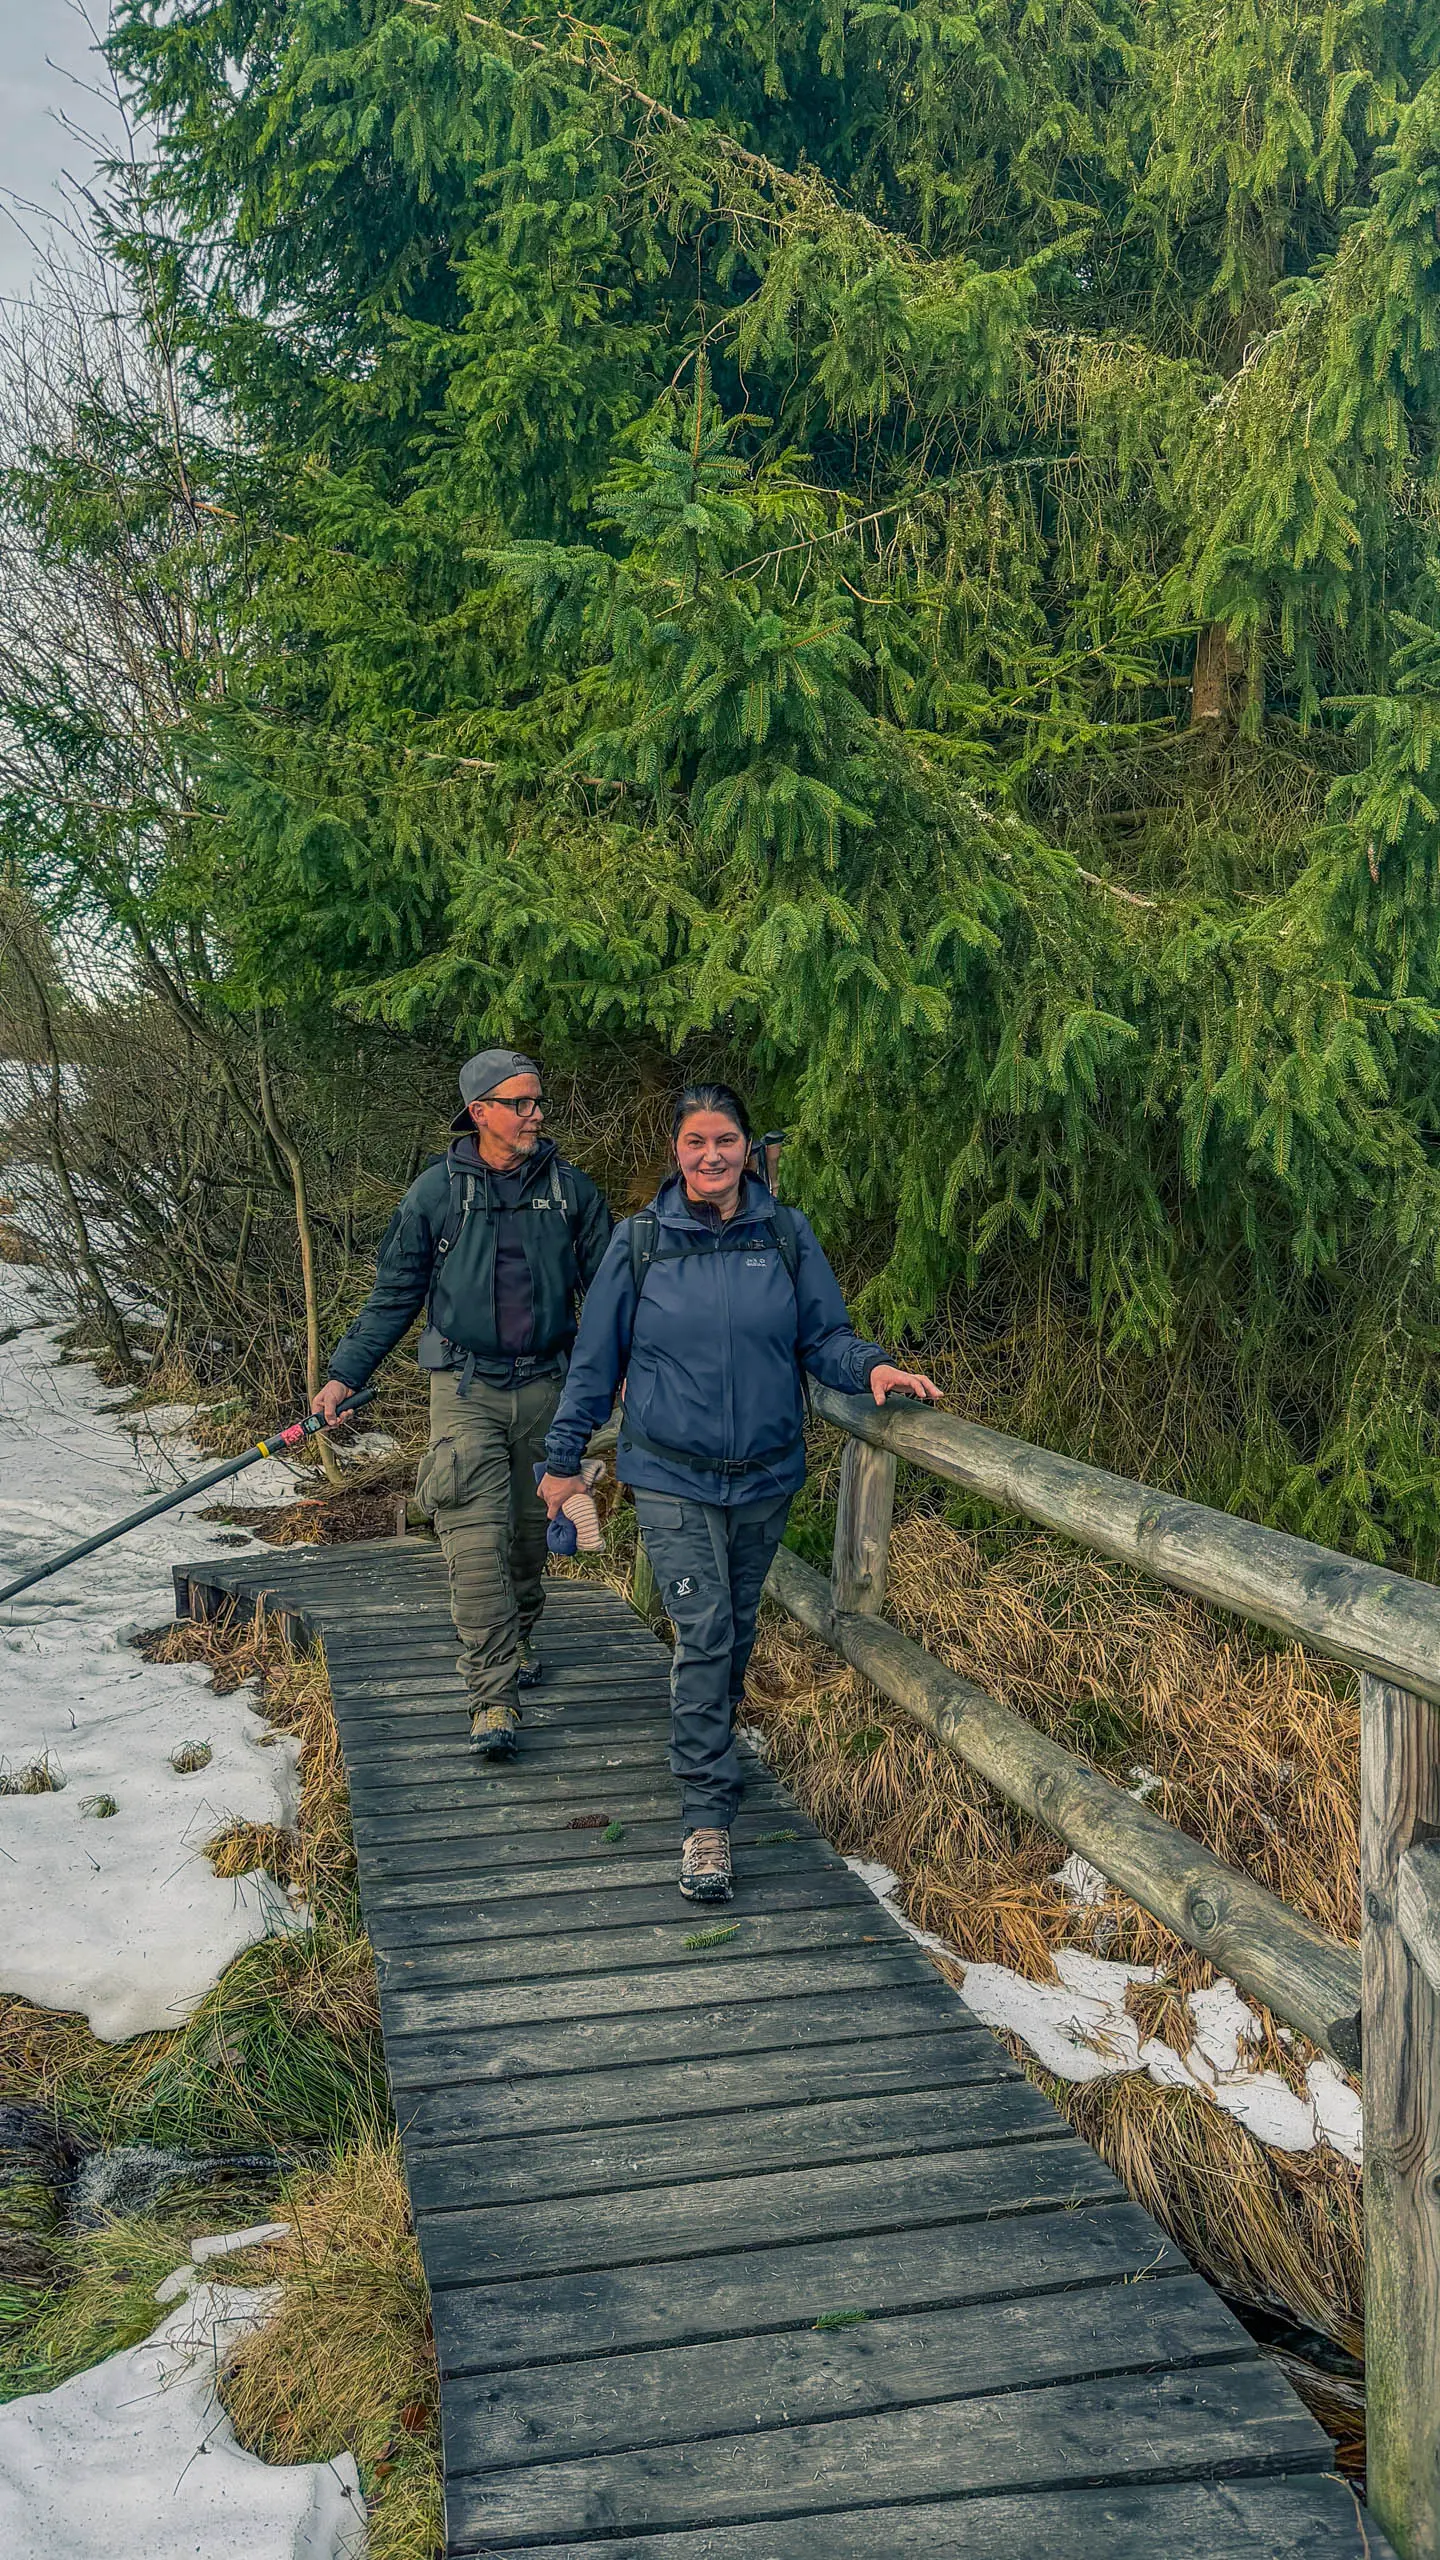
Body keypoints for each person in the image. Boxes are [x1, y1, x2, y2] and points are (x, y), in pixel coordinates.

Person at [538, 1082, 939, 1902]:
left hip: (764, 1474)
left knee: (736, 1629)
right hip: (669, 1472)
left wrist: (871, 1368)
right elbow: (596, 1362)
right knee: (707, 1628)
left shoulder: (784, 1234)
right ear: (675, 1151)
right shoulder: (641, 1243)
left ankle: (707, 1744)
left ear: (747, 1148)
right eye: (696, 1141)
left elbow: (823, 1336)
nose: (712, 1155)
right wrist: (562, 1455)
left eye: (725, 1140)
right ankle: (706, 1820)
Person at [312, 1051, 612, 1758]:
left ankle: (519, 1639)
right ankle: (492, 1698)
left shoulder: (571, 1192)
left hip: (549, 1391)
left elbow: (608, 1298)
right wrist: (344, 1375)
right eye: (521, 1103)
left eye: (538, 1101)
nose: (536, 1114)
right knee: (475, 1549)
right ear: (480, 1112)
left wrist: (625, 1368)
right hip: (465, 1389)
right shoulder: (435, 1195)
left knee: (527, 1544)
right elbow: (394, 1296)